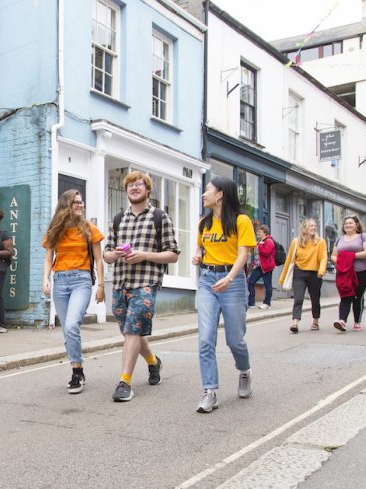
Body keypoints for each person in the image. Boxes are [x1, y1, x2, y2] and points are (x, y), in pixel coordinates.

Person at [103, 171, 179, 402]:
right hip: (120, 283)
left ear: (147, 190)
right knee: (130, 332)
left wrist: (144, 255)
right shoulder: (118, 219)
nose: (134, 188)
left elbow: (173, 254)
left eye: (139, 185)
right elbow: (106, 255)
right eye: (130, 185)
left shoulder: (159, 217)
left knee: (133, 330)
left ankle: (125, 382)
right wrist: (115, 254)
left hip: (146, 283)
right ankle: (154, 362)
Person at [191, 176, 255, 414]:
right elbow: (200, 246)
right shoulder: (204, 223)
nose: (203, 194)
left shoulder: (241, 221)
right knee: (205, 338)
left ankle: (245, 371)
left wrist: (229, 278)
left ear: (220, 195)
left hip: (233, 281)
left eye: (207, 190)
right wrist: (198, 254)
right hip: (208, 279)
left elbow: (243, 254)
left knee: (234, 339)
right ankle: (210, 391)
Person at [42, 189, 105, 394]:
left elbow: (99, 259)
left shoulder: (89, 229)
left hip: (81, 280)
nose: (81, 205)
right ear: (66, 205)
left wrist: (102, 286)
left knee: (71, 325)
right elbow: (49, 257)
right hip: (60, 281)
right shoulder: (55, 230)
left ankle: (77, 372)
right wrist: (45, 279)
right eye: (76, 202)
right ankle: (77, 369)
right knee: (67, 330)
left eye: (82, 202)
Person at [278, 219, 327, 333]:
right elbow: (289, 260)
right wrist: (282, 277)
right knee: (298, 298)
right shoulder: (296, 242)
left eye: (315, 226)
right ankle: (295, 322)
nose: (314, 228)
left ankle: (315, 321)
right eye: (311, 226)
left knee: (315, 299)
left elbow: (324, 257)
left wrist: (321, 271)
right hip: (299, 273)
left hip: (315, 274)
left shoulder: (320, 242)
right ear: (304, 228)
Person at [330, 216, 366, 332]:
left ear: (357, 225)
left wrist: (351, 256)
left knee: (357, 296)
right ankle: (342, 321)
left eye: (350, 223)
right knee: (345, 295)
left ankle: (357, 321)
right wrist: (341, 260)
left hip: (362, 271)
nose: (348, 225)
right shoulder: (339, 239)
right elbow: (333, 255)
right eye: (346, 223)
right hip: (344, 272)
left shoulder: (363, 237)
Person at [247, 225, 275, 309]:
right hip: (258, 267)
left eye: (260, 232)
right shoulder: (259, 241)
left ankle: (267, 303)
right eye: (258, 231)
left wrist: (259, 246)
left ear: (265, 233)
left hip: (267, 267)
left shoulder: (269, 241)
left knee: (267, 284)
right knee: (251, 282)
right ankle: (251, 303)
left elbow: (266, 252)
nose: (258, 233)